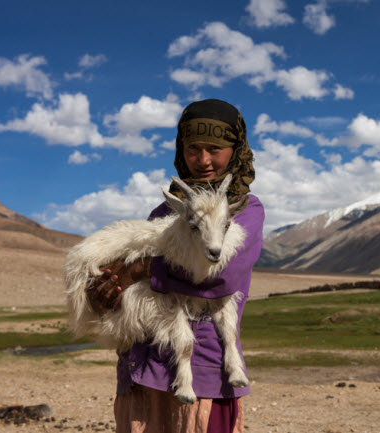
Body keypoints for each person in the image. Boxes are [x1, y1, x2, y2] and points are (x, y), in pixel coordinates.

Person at [87, 99, 264, 433]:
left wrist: (140, 269)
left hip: (203, 373)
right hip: (142, 367)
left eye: (215, 148)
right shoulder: (164, 214)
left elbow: (221, 278)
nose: (203, 161)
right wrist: (108, 289)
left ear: (236, 149)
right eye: (192, 148)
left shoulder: (246, 211)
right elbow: (134, 279)